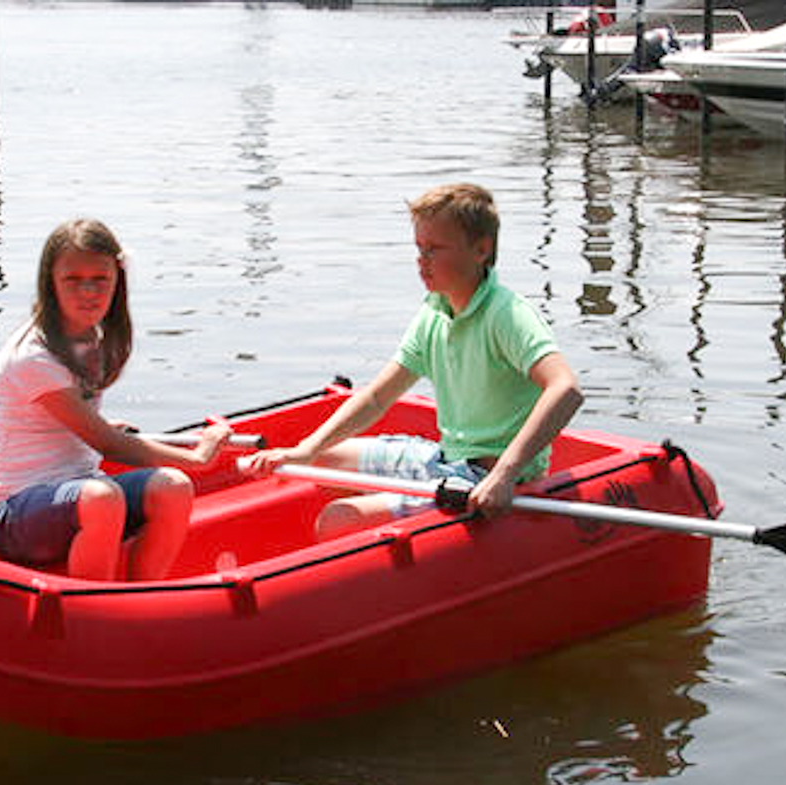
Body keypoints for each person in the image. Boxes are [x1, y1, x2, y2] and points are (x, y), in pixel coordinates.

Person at [244, 183, 583, 540]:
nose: (422, 260)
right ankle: (398, 538)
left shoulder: (507, 314)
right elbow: (377, 398)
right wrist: (306, 449)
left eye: (435, 249)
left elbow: (566, 389)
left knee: (337, 520)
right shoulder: (434, 312)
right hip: (445, 457)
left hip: (485, 475)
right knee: (321, 459)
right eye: (419, 248)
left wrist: (504, 475)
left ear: (481, 249)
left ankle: (392, 542)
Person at [0, 218, 230, 580]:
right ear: (51, 282)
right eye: (73, 280)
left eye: (100, 279)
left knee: (174, 487)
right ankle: (91, 610)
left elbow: (78, 425)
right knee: (103, 498)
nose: (88, 291)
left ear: (117, 280)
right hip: (16, 515)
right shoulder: (33, 356)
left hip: (81, 489)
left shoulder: (88, 338)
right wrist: (199, 457)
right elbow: (109, 446)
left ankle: (143, 597)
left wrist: (90, 423)